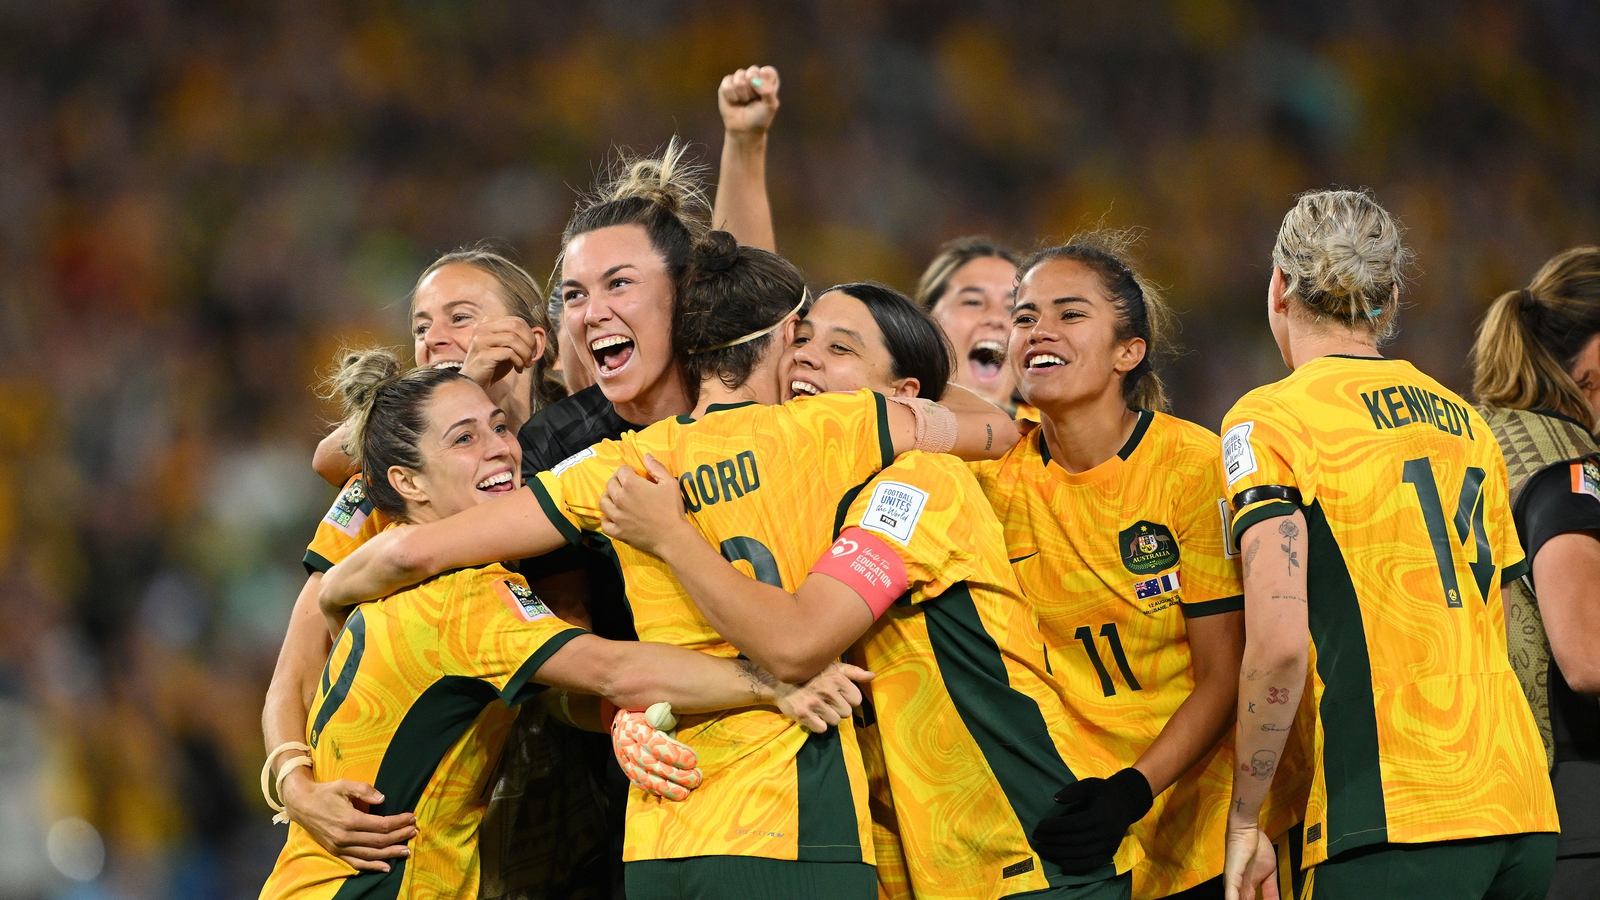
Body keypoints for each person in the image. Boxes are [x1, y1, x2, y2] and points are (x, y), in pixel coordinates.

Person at [316, 234, 1019, 899]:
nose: (805, 359)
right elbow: (998, 428)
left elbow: (417, 546)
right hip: (796, 817)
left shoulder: (618, 465)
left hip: (661, 833)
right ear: (779, 337)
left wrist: (333, 590)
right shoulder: (850, 426)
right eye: (802, 339)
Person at [258, 349, 869, 900]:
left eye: (500, 426)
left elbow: (549, 693)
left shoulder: (389, 552)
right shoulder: (464, 592)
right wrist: (773, 683)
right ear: (407, 482)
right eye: (464, 439)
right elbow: (613, 669)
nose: (498, 447)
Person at [602, 282, 1140, 899]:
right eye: (800, 340)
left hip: (1023, 857)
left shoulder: (918, 482)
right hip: (904, 865)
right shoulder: (798, 507)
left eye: (840, 348)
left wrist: (670, 535)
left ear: (903, 400)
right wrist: (645, 710)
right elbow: (718, 644)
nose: (804, 356)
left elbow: (795, 643)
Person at [1221, 189, 1559, 900]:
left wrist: (1245, 820)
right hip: (1518, 803)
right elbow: (1510, 630)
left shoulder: (1270, 420)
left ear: (1279, 286)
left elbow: (1280, 644)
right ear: (1392, 295)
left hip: (1391, 813)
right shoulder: (1468, 424)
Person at [966, 231, 1248, 900]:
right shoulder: (991, 476)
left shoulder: (1191, 466)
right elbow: (889, 403)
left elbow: (1223, 674)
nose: (1039, 330)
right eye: (1025, 316)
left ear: (1130, 351)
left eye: (1070, 313)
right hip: (1073, 826)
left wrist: (1134, 790)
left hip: (1193, 822)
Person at [261, 245, 557, 875]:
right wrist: (295, 786)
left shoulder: (579, 454)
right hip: (413, 831)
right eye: (421, 326)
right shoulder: (382, 491)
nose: (434, 340)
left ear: (529, 336)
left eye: (460, 317)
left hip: (570, 773)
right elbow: (296, 666)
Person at [1470, 246, 1600, 900]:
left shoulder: (1489, 438)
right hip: (1574, 801)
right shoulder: (1574, 469)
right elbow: (1586, 656)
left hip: (1492, 788)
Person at [914, 236, 1023, 412]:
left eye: (1012, 307)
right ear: (926, 323)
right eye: (973, 302)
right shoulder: (876, 425)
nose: (996, 318)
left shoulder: (1052, 433)